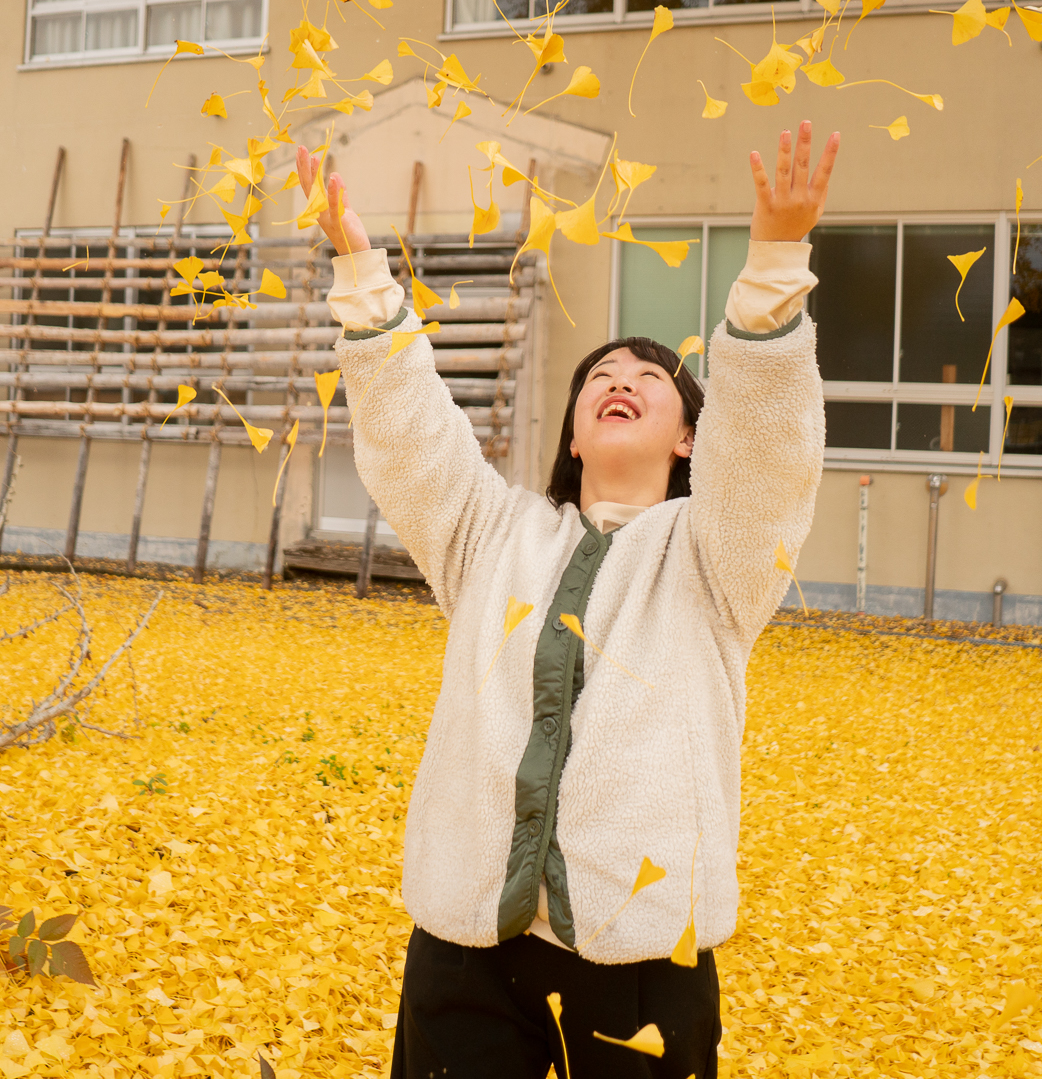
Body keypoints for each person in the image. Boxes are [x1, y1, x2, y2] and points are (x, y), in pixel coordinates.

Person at [303, 122, 836, 1078]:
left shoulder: (718, 560)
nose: (619, 381)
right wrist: (358, 271)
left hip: (642, 962)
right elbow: (413, 437)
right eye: (600, 378)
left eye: (649, 380)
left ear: (688, 440)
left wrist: (773, 270)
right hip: (466, 949)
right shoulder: (490, 536)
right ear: (577, 436)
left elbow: (768, 453)